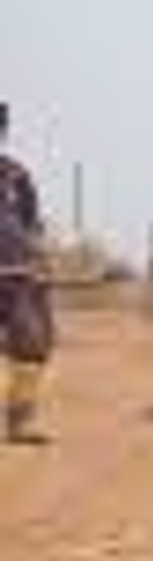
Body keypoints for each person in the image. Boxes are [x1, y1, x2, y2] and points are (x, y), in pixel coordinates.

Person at [0, 103, 50, 446]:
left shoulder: (17, 174)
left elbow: (33, 228)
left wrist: (37, 268)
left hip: (19, 274)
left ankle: (18, 422)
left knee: (32, 346)